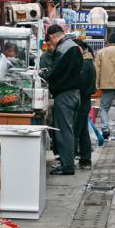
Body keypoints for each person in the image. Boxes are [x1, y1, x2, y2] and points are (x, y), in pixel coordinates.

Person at [40, 24, 83, 175]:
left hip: (65, 95)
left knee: (64, 132)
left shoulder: (64, 48)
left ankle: (67, 166)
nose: (51, 46)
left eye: (49, 42)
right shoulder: (73, 46)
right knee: (68, 130)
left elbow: (54, 72)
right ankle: (67, 164)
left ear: (52, 37)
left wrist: (44, 75)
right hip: (74, 94)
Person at [73, 39, 97, 169]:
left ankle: (72, 159)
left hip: (82, 100)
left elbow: (82, 84)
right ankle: (85, 159)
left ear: (81, 48)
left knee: (77, 131)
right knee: (82, 131)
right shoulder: (87, 61)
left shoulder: (85, 63)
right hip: (84, 99)